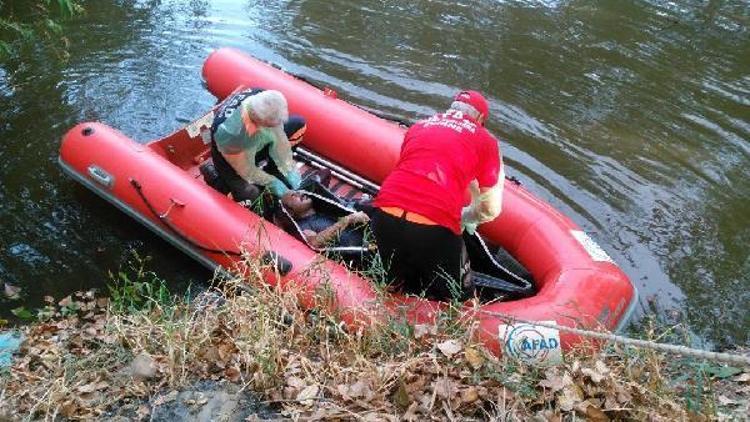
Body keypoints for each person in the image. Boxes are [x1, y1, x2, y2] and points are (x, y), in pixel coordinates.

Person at [370, 90, 505, 301]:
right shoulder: (485, 140)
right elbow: (490, 208)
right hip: (433, 226)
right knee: (463, 301)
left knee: (391, 285)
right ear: (480, 119)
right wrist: (466, 218)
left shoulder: (419, 126)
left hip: (384, 213)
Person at [209, 88, 306, 203]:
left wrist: (287, 168)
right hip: (232, 159)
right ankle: (215, 178)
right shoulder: (229, 132)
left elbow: (278, 133)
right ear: (257, 120)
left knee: (298, 124)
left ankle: (273, 169)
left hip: (253, 142)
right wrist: (279, 188)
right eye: (269, 126)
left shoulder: (263, 97)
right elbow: (247, 170)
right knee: (250, 194)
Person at [274, 191, 369, 249]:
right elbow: (314, 243)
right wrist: (347, 220)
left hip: (369, 235)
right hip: (366, 251)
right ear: (290, 212)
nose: (300, 194)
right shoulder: (304, 227)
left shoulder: (323, 210)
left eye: (298, 192)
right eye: (293, 196)